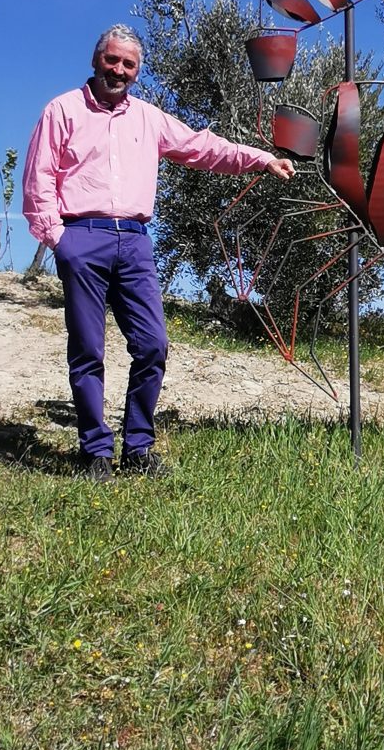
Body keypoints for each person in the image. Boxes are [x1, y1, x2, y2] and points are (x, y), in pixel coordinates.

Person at [23, 24, 295, 482]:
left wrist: (260, 158)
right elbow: (39, 180)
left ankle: (138, 448)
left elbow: (200, 147)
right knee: (88, 350)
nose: (119, 70)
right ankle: (94, 452)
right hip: (81, 237)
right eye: (113, 60)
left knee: (153, 345)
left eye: (129, 64)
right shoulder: (62, 110)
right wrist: (59, 241)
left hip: (134, 241)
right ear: (96, 60)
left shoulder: (149, 118)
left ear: (137, 71)